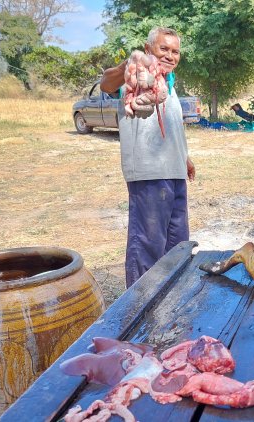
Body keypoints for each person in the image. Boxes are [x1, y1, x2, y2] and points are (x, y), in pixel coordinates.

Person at [100, 27, 196, 288]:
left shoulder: (170, 83)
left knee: (178, 245)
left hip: (174, 173)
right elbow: (106, 82)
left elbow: (173, 125)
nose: (170, 55)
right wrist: (127, 64)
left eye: (175, 51)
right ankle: (140, 305)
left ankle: (170, 297)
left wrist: (185, 158)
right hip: (149, 173)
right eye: (163, 48)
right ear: (148, 48)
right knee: (147, 247)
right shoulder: (137, 75)